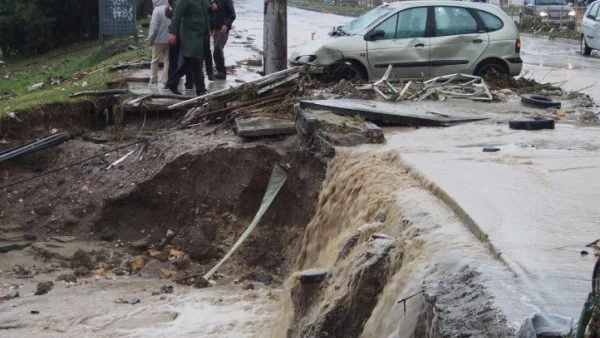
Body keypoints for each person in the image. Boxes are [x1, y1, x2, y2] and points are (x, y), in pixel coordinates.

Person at [166, 0, 213, 96]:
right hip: (190, 34)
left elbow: (206, 13)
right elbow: (177, 15)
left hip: (201, 35)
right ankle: (201, 90)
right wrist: (173, 33)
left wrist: (208, 27)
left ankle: (172, 82)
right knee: (196, 61)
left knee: (190, 62)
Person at [210, 0, 236, 80]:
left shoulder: (227, 1)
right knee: (217, 50)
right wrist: (211, 27)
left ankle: (222, 72)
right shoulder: (214, 1)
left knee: (218, 48)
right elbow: (212, 14)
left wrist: (226, 25)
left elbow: (232, 15)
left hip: (223, 28)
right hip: (216, 28)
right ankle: (219, 71)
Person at [148, 0, 171, 86]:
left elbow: (154, 26)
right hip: (169, 40)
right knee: (167, 61)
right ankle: (165, 79)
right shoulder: (170, 9)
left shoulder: (156, 10)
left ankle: (154, 79)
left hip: (158, 40)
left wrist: (151, 38)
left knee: (155, 60)